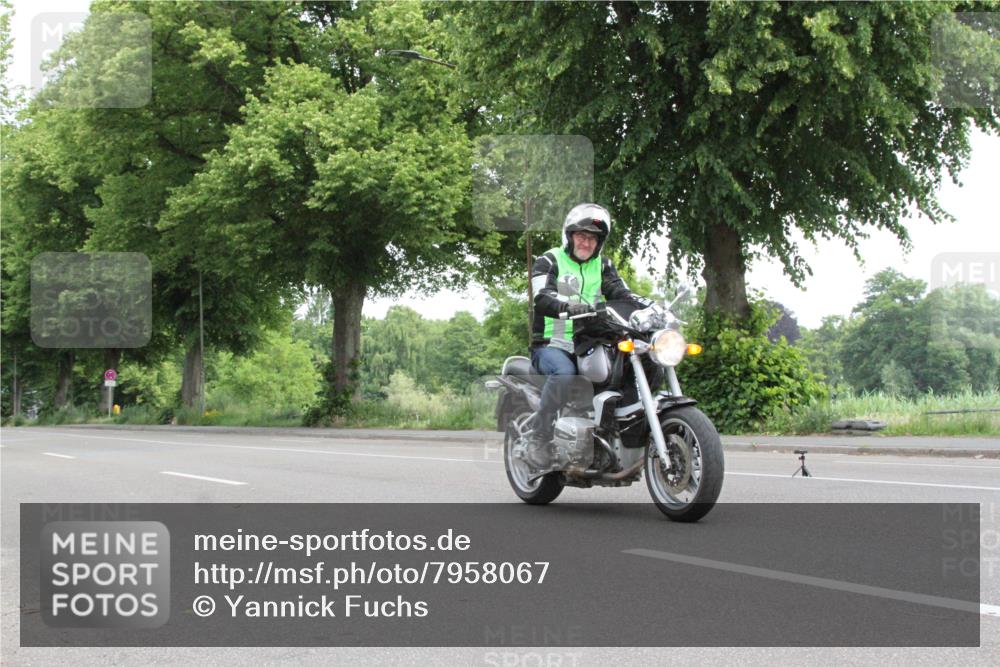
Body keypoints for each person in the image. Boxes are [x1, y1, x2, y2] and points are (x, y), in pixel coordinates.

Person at [522, 203, 651, 469]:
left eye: (593, 238)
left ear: (599, 242)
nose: (586, 242)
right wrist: (568, 306)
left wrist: (649, 307)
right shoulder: (550, 260)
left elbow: (621, 293)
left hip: (589, 341)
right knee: (564, 373)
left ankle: (615, 434)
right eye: (581, 235)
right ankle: (539, 437)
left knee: (632, 363)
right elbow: (542, 297)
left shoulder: (603, 265)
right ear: (569, 236)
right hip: (552, 343)